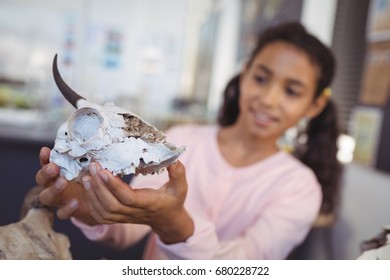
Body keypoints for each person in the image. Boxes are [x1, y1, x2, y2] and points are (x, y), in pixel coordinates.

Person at [36, 21, 342, 259]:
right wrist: (84, 205)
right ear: (245, 73)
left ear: (314, 105)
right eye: (261, 78)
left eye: (292, 91)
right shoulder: (181, 140)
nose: (269, 99)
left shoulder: (300, 188)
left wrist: (174, 223)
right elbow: (126, 226)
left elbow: (248, 264)